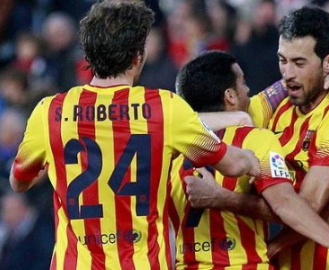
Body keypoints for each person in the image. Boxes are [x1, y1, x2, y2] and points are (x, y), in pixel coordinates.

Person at [8, 1, 260, 269]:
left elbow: (18, 181)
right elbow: (232, 165)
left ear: (89, 57)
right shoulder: (164, 108)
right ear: (138, 57)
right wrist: (253, 158)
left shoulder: (50, 112)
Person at [186, 6, 329, 270]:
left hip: (327, 262)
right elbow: (196, 117)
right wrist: (238, 119)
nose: (287, 73)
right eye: (283, 60)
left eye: (299, 63)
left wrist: (223, 198)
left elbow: (309, 205)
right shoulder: (280, 105)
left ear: (328, 61)